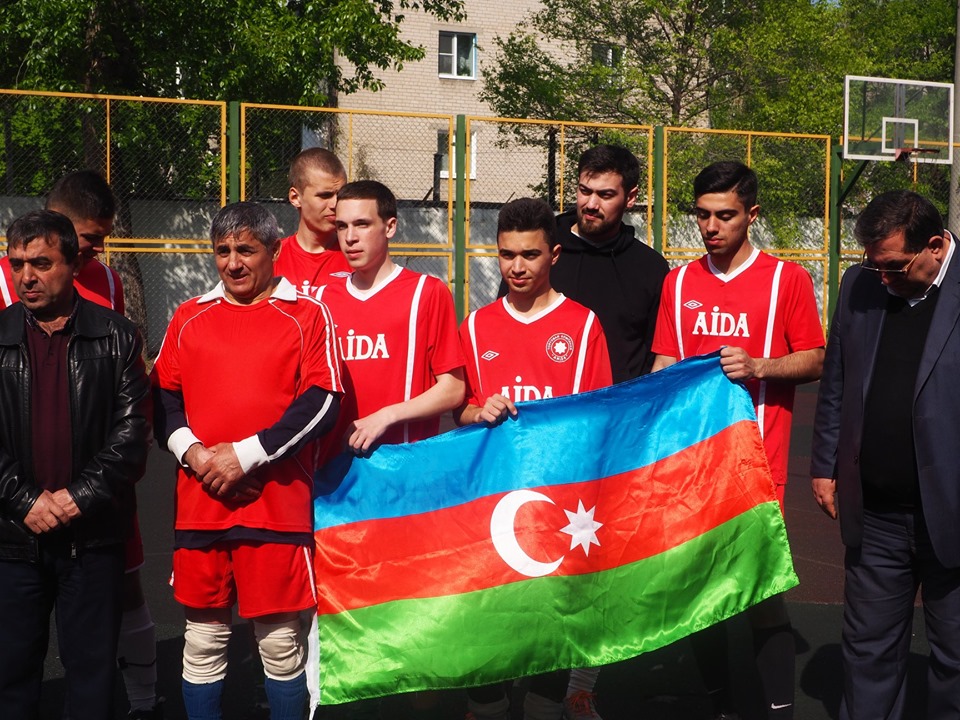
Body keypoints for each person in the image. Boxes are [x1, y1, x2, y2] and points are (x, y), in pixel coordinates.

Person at [152, 202, 343, 720]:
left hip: (275, 507)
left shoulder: (308, 315)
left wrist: (244, 456)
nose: (233, 263)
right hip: (201, 506)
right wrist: (196, 455)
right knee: (203, 640)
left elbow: (323, 401)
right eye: (222, 251)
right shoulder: (189, 316)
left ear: (274, 250)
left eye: (245, 250)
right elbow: (162, 398)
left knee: (279, 644)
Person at [651, 161, 824, 720]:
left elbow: (815, 358)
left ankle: (778, 712)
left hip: (759, 467)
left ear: (752, 215)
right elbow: (664, 365)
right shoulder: (679, 282)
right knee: (703, 594)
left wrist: (760, 366)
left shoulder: (786, 280)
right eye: (702, 214)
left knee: (762, 594)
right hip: (694, 468)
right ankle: (722, 708)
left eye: (724, 215)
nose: (710, 226)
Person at [0, 170, 163, 718]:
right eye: (17, 264)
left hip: (91, 534)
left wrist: (76, 498)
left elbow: (131, 434)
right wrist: (25, 500)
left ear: (71, 263)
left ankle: (145, 699)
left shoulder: (116, 333)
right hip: (13, 534)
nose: (26, 276)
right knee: (11, 674)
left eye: (40, 264)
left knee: (92, 678)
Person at [455, 197, 612, 720]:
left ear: (554, 255)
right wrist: (478, 411)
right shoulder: (476, 327)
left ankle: (554, 699)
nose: (517, 267)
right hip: (492, 509)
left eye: (529, 255)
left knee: (549, 641)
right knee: (490, 637)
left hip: (556, 510)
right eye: (506, 255)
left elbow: (596, 421)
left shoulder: (583, 325)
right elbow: (459, 412)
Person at [810, 190, 960, 720]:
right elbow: (837, 380)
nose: (883, 278)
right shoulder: (861, 284)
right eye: (874, 265)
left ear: (936, 246)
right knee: (868, 652)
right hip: (876, 516)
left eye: (894, 266)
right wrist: (824, 464)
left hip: (952, 514)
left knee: (955, 659)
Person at [317, 180, 465, 453]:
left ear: (390, 227)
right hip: (333, 464)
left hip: (403, 464)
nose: (350, 237)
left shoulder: (427, 292)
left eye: (362, 224)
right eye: (342, 226)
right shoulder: (322, 299)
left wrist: (387, 416)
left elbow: (454, 388)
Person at [549, 144, 668, 383]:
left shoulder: (650, 268)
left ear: (630, 198)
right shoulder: (541, 253)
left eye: (605, 195)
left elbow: (661, 357)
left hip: (622, 404)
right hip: (548, 403)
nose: (591, 204)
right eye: (585, 191)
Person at [275, 147, 351, 295]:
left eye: (340, 195)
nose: (335, 204)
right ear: (295, 198)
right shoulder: (271, 258)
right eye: (325, 195)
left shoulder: (357, 257)